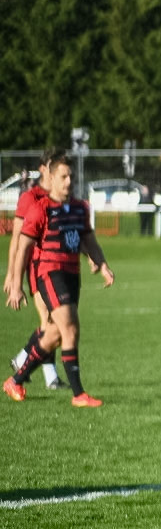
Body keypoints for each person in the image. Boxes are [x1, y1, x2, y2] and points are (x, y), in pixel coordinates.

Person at [4, 151, 115, 406]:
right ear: (51, 178)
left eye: (71, 177)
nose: (68, 181)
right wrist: (17, 283)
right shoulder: (39, 208)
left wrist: (103, 265)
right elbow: (23, 247)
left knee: (53, 334)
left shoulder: (79, 208)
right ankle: (78, 394)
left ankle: (16, 380)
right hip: (49, 273)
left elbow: (89, 240)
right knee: (70, 328)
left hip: (72, 274)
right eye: (63, 177)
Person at [6, 155, 64, 391]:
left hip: (56, 268)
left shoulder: (60, 198)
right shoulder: (30, 198)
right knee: (51, 324)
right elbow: (17, 240)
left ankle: (22, 360)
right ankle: (45, 376)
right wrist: (12, 275)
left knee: (52, 324)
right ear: (43, 169)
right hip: (37, 268)